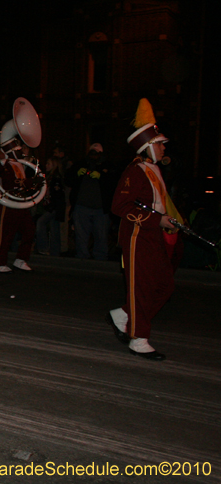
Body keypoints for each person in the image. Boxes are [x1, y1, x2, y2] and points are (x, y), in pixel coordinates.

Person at [108, 99, 181, 361]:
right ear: (148, 146)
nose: (163, 147)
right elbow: (119, 205)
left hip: (152, 236)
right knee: (142, 288)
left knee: (164, 286)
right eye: (159, 143)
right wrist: (155, 220)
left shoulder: (153, 170)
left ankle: (125, 315)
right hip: (138, 237)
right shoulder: (136, 171)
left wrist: (167, 221)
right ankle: (138, 338)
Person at [0, 143, 38, 273]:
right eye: (17, 150)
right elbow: (11, 181)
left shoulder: (19, 163)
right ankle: (0, 263)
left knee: (29, 230)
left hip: (21, 201)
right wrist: (31, 182)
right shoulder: (6, 164)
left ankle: (21, 259)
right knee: (6, 234)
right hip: (10, 201)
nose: (20, 152)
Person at [66, 143, 115, 260]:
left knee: (101, 235)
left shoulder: (108, 165)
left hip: (100, 208)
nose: (93, 155)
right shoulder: (81, 164)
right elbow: (68, 179)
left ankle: (100, 259)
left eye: (96, 153)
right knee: (81, 235)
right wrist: (77, 174)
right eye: (92, 152)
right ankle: (82, 258)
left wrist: (101, 176)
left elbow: (114, 183)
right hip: (82, 206)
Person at [35, 156, 66, 257]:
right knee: (54, 229)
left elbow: (57, 195)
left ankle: (43, 248)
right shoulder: (49, 177)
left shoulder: (55, 178)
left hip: (54, 207)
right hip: (52, 207)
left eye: (48, 163)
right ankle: (54, 252)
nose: (46, 166)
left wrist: (52, 206)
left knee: (41, 223)